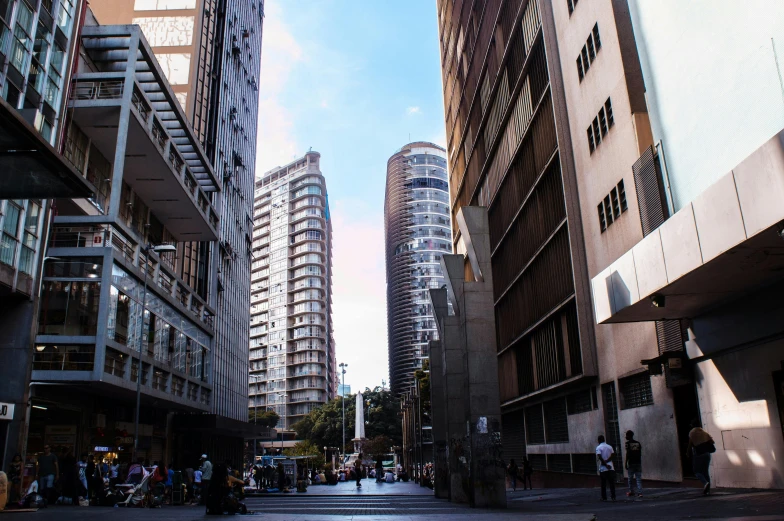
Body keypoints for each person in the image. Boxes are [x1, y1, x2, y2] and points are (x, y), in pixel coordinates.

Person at [687, 420, 715, 495]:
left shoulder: (692, 433)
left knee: (697, 471)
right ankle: (708, 491)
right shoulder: (704, 433)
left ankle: (705, 483)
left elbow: (690, 444)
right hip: (707, 454)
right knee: (706, 472)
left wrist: (688, 453)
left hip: (698, 453)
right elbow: (712, 442)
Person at [596, 435, 616, 502]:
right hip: (611, 467)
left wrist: (605, 464)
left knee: (603, 483)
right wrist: (607, 461)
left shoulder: (599, 447)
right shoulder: (609, 447)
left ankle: (604, 497)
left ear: (599, 440)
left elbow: (600, 457)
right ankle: (613, 496)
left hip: (603, 468)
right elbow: (613, 455)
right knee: (611, 483)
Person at [625, 430, 643, 498]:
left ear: (629, 436)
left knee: (630, 478)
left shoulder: (627, 443)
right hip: (638, 462)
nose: (625, 437)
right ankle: (640, 492)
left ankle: (631, 491)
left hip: (631, 463)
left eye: (626, 435)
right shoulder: (638, 443)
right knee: (638, 478)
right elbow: (639, 453)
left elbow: (628, 453)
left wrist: (626, 462)